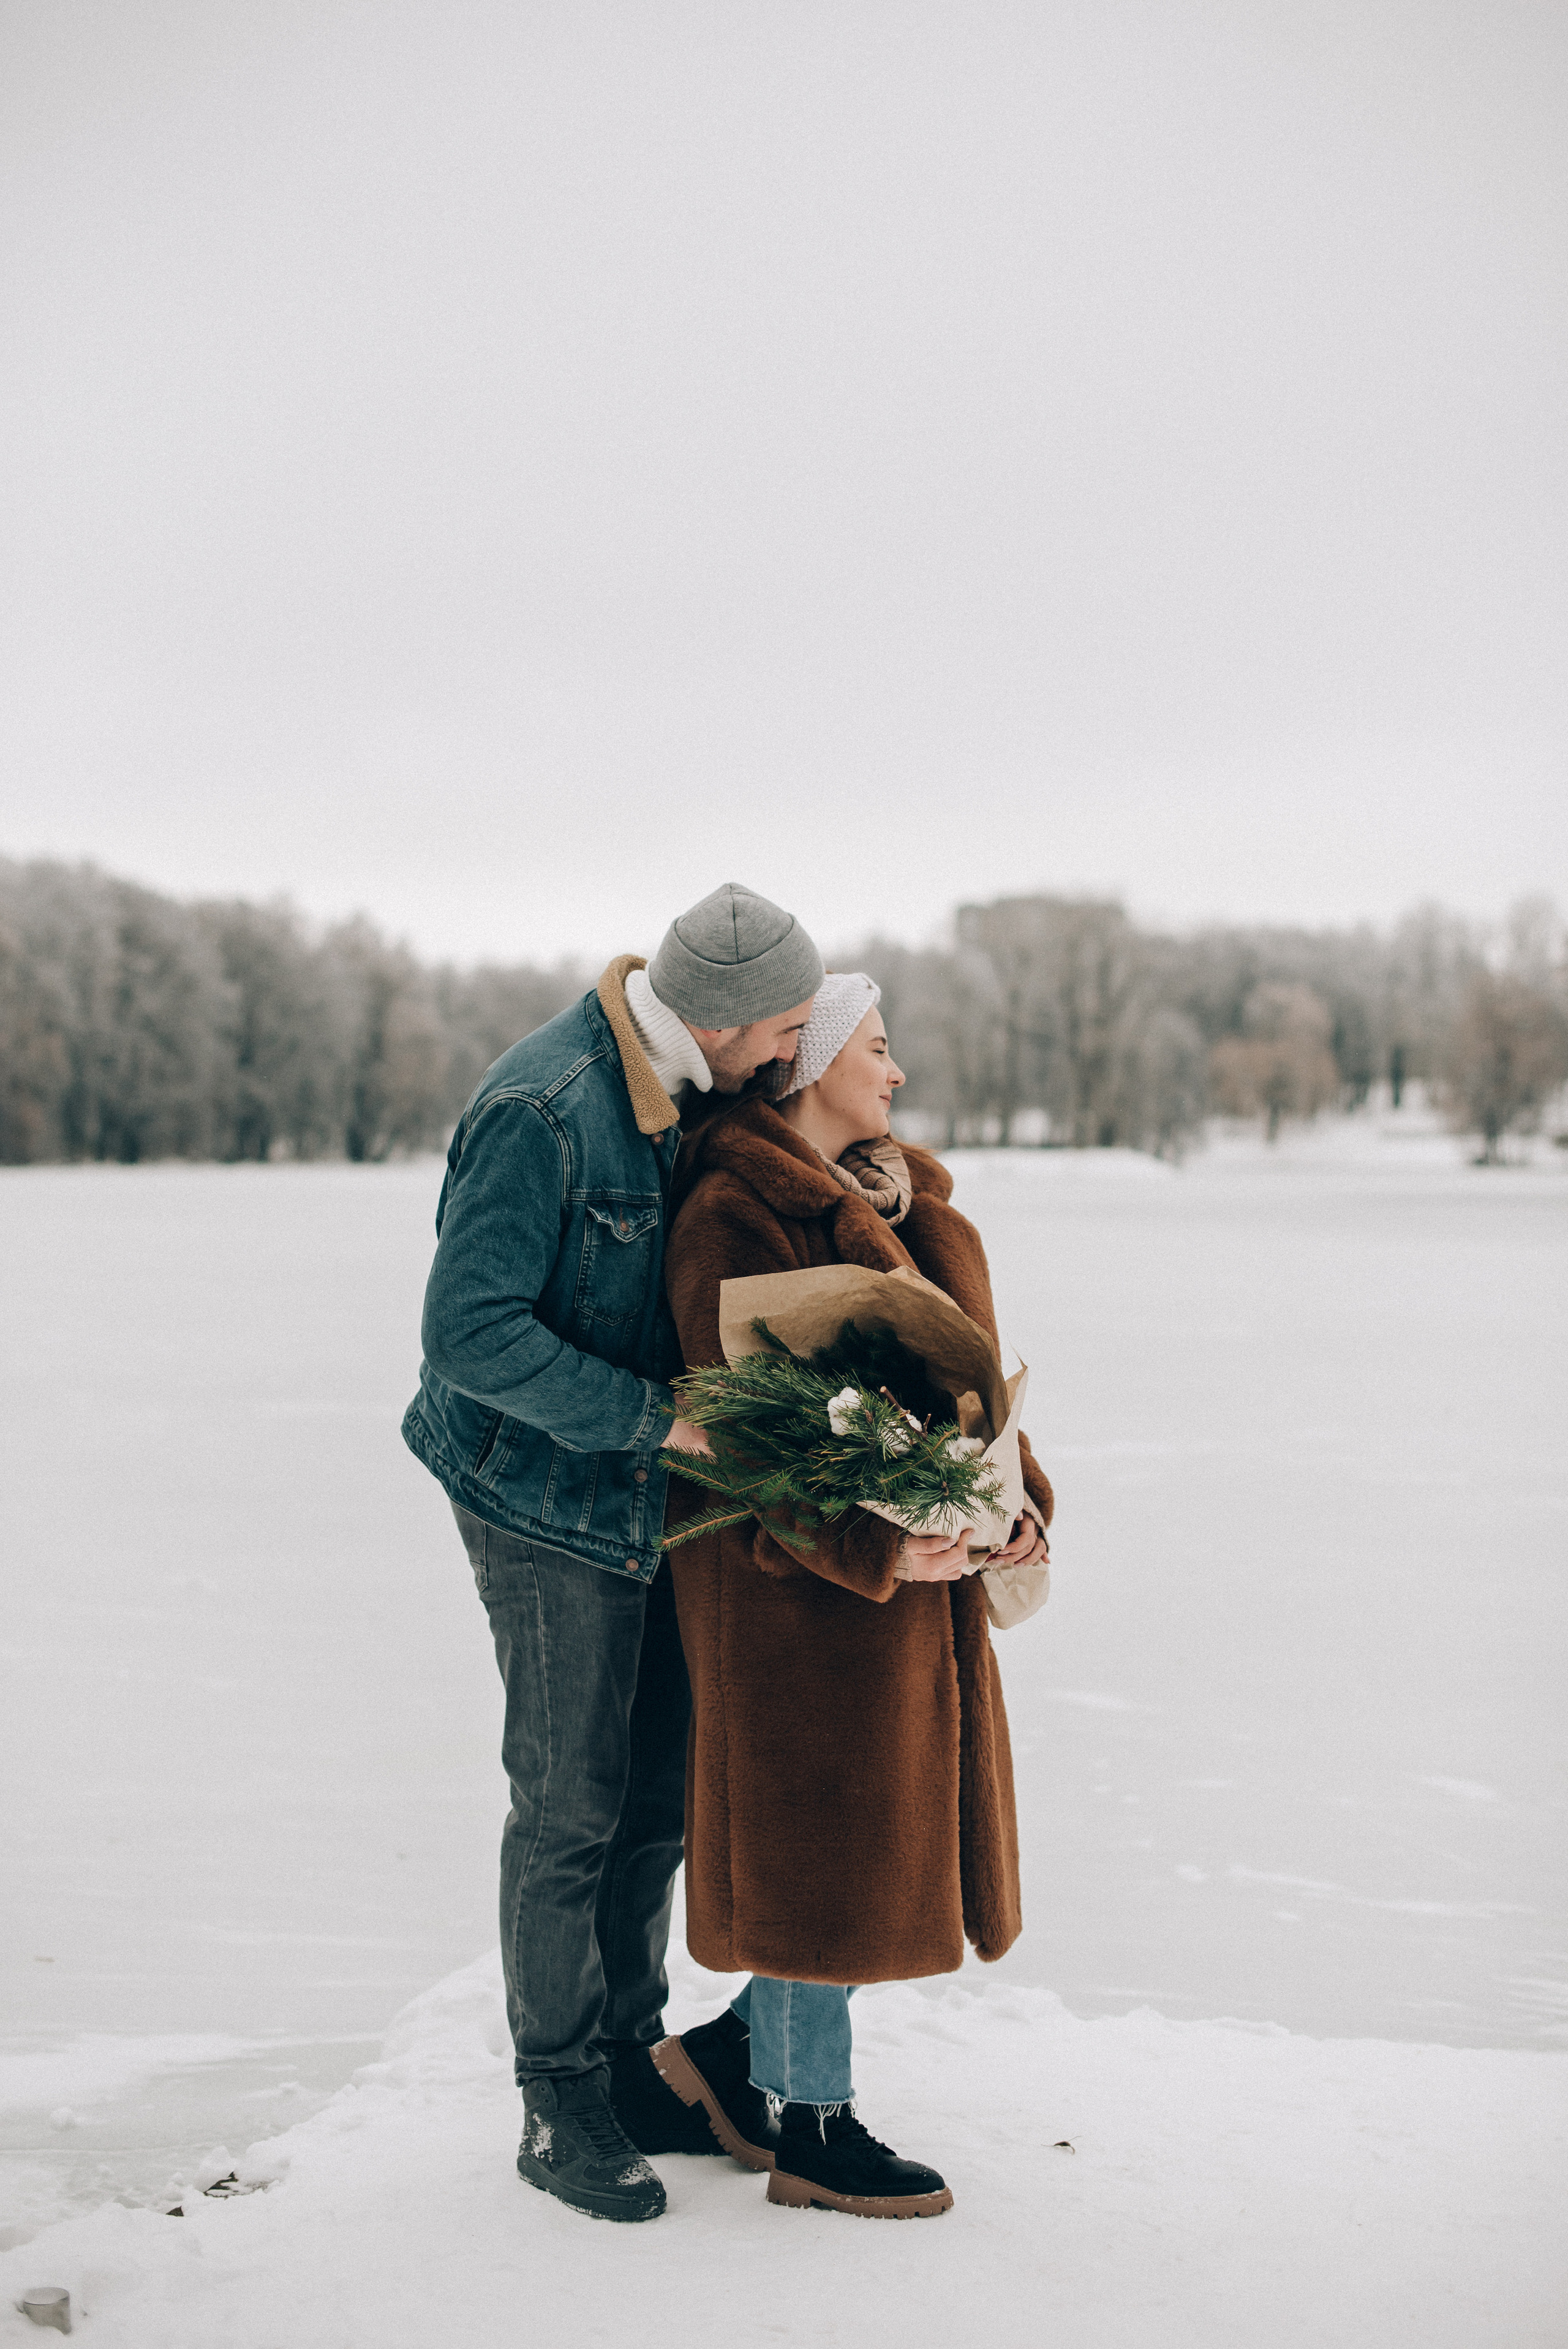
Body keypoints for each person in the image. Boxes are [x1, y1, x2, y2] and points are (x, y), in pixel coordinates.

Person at [401, 882, 824, 2224]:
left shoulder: (698, 1090)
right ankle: (555, 2095)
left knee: (655, 1793)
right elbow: (467, 1333)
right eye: (789, 1031)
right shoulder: (545, 1107)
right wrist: (657, 1421)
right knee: (571, 1800)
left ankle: (630, 2053)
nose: (790, 1058)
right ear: (733, 1018)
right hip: (534, 1495)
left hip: (646, 1492)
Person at [655, 972, 1054, 2220]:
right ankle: (807, 2128)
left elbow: (973, 1389)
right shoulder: (734, 1214)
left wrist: (1012, 1500)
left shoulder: (916, 1213)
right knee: (814, 1862)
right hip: (786, 1594)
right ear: (808, 1062)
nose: (892, 1074)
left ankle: (724, 2056)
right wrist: (880, 1548)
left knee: (863, 1838)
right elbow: (735, 1436)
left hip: (905, 1584)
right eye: (872, 1050)